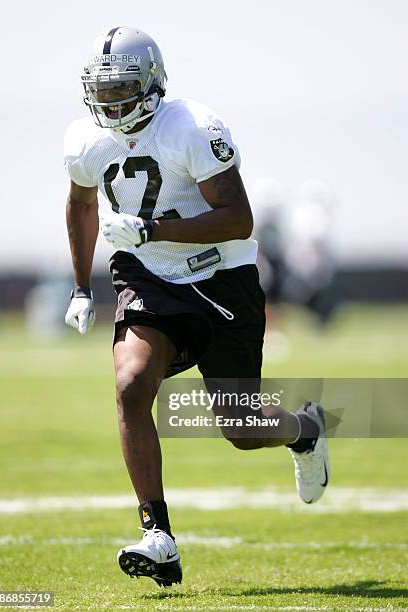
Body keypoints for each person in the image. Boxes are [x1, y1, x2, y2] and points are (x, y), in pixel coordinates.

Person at [64, 26, 330, 588]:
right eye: (102, 92)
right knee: (133, 383)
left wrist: (150, 227)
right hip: (146, 275)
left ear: (153, 84)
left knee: (240, 427)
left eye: (122, 91)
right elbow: (82, 203)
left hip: (220, 276)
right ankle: (157, 534)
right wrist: (81, 286)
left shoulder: (190, 127)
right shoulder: (85, 140)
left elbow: (239, 217)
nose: (111, 104)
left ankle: (304, 429)